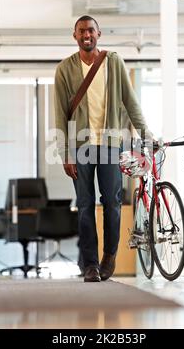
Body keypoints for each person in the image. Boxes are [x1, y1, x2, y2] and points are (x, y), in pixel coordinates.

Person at [54, 15, 152, 282]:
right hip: (80, 146)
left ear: (99, 35)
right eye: (82, 31)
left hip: (110, 143)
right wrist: (65, 152)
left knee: (112, 202)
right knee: (85, 205)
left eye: (91, 31)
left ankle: (109, 256)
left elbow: (131, 103)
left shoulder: (114, 62)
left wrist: (146, 135)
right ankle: (90, 265)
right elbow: (60, 115)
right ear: (75, 35)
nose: (87, 35)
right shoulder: (64, 69)